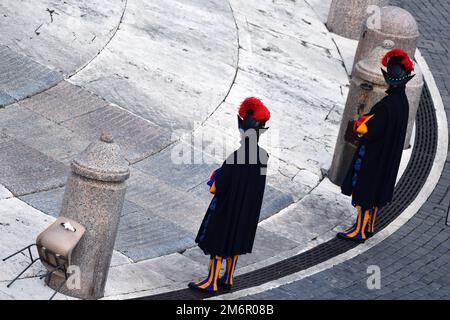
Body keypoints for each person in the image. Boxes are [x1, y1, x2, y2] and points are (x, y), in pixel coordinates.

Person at [188, 97, 270, 292]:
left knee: (218, 243)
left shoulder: (235, 157)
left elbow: (217, 187)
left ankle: (211, 281)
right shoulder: (263, 156)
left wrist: (215, 177)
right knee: (236, 243)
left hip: (228, 210)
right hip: (247, 212)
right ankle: (228, 277)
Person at [338, 48, 415, 243]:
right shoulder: (402, 103)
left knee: (365, 193)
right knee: (374, 194)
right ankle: (369, 226)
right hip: (387, 159)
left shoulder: (388, 105)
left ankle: (360, 231)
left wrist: (360, 125)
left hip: (374, 158)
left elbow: (369, 130)